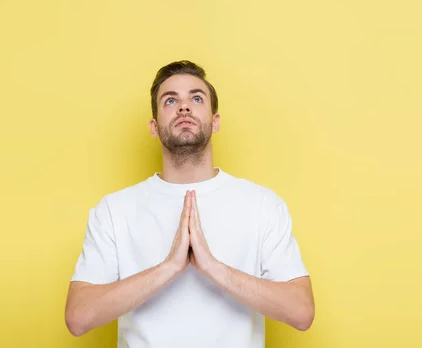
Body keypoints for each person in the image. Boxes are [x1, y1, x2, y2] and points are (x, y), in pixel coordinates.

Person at [65, 60, 315, 347]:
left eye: (196, 98)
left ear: (215, 121)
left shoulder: (263, 205)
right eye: (170, 100)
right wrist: (169, 266)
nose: (184, 107)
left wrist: (211, 266)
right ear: (154, 127)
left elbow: (301, 311)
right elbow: (78, 317)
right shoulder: (114, 210)